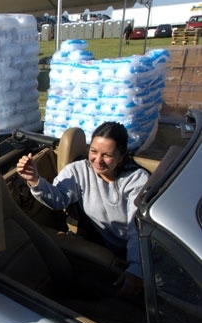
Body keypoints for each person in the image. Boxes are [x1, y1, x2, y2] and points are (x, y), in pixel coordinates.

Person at [16, 122, 149, 297]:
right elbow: (58, 199)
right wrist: (34, 180)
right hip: (105, 248)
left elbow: (138, 226)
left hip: (140, 250)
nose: (98, 160)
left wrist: (137, 267)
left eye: (107, 155)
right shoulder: (78, 170)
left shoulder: (136, 179)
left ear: (121, 155)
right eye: (93, 151)